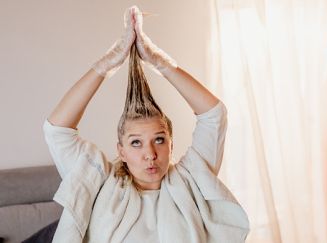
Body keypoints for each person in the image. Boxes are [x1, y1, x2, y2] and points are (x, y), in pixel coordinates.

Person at [43, 5, 249, 243]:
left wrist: (159, 61)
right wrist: (107, 64)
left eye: (159, 140)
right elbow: (57, 130)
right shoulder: (98, 181)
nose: (150, 154)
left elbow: (214, 114)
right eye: (136, 143)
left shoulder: (191, 179)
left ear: (171, 145)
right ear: (121, 150)